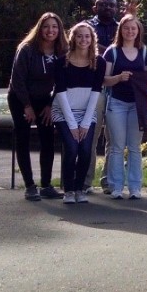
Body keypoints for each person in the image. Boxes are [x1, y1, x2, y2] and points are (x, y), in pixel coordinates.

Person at [6, 12, 67, 201]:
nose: (51, 30)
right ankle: (30, 186)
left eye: (54, 27)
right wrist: (26, 106)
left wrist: (50, 104)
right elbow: (17, 79)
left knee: (47, 140)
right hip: (20, 98)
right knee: (23, 139)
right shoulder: (26, 49)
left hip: (45, 99)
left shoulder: (62, 50)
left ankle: (46, 185)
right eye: (47, 26)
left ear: (60, 30)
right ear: (40, 28)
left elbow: (62, 81)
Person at [81, 0, 136, 193]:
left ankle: (108, 181)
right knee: (91, 135)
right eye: (103, 5)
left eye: (112, 5)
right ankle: (85, 181)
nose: (108, 8)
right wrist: (111, 49)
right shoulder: (86, 27)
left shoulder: (120, 27)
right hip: (93, 87)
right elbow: (88, 48)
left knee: (114, 139)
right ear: (94, 7)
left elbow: (132, 44)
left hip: (117, 90)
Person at [52, 23, 105, 204]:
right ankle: (68, 190)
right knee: (72, 147)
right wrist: (73, 125)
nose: (84, 40)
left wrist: (84, 122)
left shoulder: (99, 62)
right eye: (80, 36)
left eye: (87, 36)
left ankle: (80, 188)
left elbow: (96, 92)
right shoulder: (61, 62)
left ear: (92, 39)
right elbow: (60, 92)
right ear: (73, 38)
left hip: (87, 113)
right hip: (64, 111)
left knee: (85, 149)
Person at [102, 14, 147, 200]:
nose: (130, 31)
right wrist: (119, 77)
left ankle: (135, 187)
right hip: (116, 103)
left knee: (135, 147)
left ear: (138, 31)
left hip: (137, 105)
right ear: (121, 30)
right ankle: (116, 186)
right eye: (126, 28)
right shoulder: (112, 51)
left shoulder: (144, 52)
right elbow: (104, 80)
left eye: (133, 28)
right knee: (117, 146)